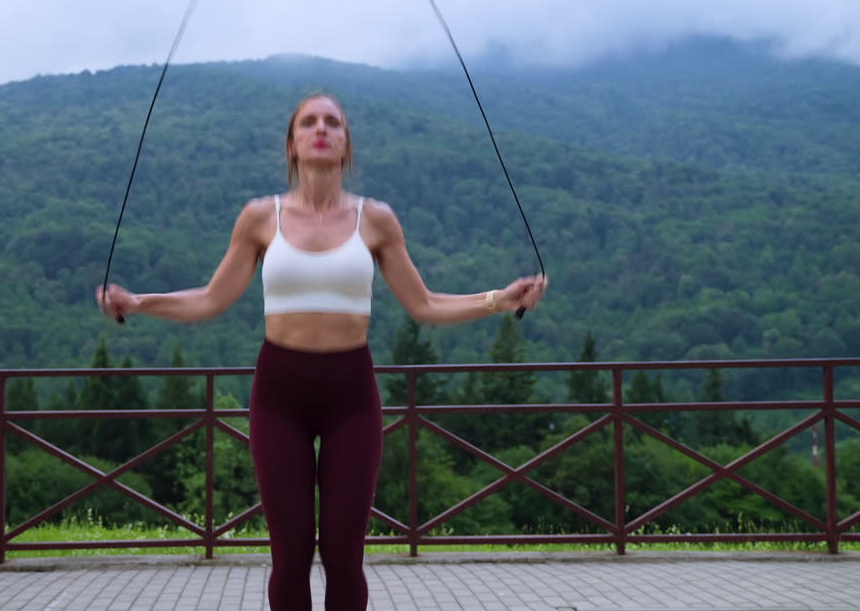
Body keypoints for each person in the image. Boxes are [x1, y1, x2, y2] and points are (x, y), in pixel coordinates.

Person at [97, 93, 548, 611]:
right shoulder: (259, 218)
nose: (321, 128)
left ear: (346, 143)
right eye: (308, 122)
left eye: (333, 122)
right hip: (279, 396)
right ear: (291, 144)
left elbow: (423, 304)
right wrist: (139, 302)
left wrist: (497, 300)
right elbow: (211, 298)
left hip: (351, 394)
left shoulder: (375, 220)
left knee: (343, 556)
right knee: (289, 556)